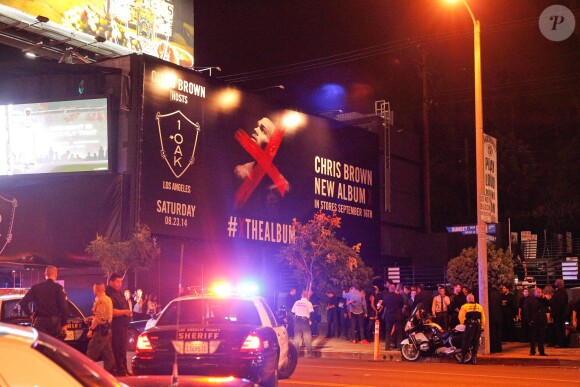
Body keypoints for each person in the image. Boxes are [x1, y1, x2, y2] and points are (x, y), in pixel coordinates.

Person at [19, 265, 69, 339]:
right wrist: (65, 323)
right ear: (56, 275)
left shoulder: (36, 288)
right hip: (54, 322)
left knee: (40, 346)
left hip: (40, 321)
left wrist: (30, 315)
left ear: (45, 274)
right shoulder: (59, 288)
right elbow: (63, 307)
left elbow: (23, 302)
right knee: (54, 346)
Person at [106, 273, 133, 376]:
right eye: (117, 282)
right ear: (111, 281)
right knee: (117, 349)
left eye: (121, 282)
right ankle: (120, 371)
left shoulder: (119, 293)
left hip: (123, 326)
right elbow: (111, 311)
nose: (119, 284)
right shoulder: (109, 294)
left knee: (123, 349)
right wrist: (125, 312)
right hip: (116, 327)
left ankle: (124, 369)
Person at [85, 282, 115, 374]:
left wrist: (91, 329)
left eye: (94, 289)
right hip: (107, 330)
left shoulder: (101, 300)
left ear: (96, 290)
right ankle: (111, 374)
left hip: (100, 332)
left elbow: (99, 317)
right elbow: (104, 315)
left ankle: (85, 374)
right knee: (107, 354)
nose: (93, 291)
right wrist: (91, 318)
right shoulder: (108, 299)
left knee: (91, 353)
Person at [458, 293, 486, 364]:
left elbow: (461, 317)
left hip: (470, 326)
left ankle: (463, 359)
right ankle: (474, 360)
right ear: (473, 299)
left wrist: (464, 323)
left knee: (466, 341)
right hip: (477, 326)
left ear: (467, 299)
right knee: (475, 342)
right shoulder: (479, 306)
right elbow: (483, 318)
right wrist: (482, 325)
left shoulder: (464, 306)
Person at [523, 286, 550, 356]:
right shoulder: (529, 300)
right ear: (534, 292)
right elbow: (526, 311)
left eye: (540, 292)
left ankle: (541, 351)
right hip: (533, 321)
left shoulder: (543, 300)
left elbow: (549, 304)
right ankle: (532, 351)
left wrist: (545, 298)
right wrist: (529, 320)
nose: (539, 294)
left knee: (541, 337)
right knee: (533, 337)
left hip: (541, 321)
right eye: (538, 292)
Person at [292, 290, 315, 358]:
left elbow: (293, 311)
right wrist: (311, 321)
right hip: (304, 321)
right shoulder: (308, 303)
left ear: (301, 295)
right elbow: (312, 313)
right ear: (307, 296)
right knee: (307, 337)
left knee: (297, 337)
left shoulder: (297, 302)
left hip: (297, 320)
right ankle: (310, 353)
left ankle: (295, 353)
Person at [382, 283, 404, 350]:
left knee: (388, 331)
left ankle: (387, 347)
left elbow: (384, 305)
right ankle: (399, 347)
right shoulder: (399, 296)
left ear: (389, 289)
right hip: (397, 316)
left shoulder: (386, 296)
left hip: (389, 316)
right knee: (399, 332)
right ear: (394, 289)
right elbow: (401, 305)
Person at [551, 279, 568, 348]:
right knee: (560, 329)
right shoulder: (563, 292)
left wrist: (554, 312)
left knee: (559, 329)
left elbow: (559, 304)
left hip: (559, 314)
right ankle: (561, 343)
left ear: (558, 284)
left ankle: (560, 343)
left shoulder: (560, 292)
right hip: (561, 314)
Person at [488, 286, 503, 353]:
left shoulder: (488, 294)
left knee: (492, 332)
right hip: (498, 316)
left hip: (491, 316)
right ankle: (499, 348)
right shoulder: (499, 294)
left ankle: (493, 348)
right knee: (498, 332)